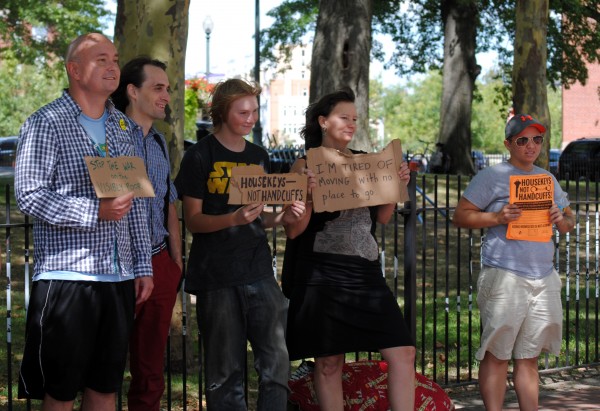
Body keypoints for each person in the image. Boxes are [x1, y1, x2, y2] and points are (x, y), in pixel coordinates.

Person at [15, 33, 154, 410]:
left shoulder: (124, 127)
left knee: (105, 389)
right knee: (59, 393)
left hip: (120, 278)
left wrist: (142, 265)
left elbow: (138, 204)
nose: (112, 67)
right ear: (74, 70)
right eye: (101, 59)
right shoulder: (45, 122)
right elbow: (29, 194)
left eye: (115, 58)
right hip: (67, 278)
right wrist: (94, 211)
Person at [174, 78, 305, 410]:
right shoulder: (199, 156)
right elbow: (193, 220)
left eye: (255, 111)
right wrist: (232, 219)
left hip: (259, 273)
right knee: (225, 373)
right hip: (216, 278)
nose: (251, 118)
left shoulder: (259, 156)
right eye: (243, 111)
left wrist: (285, 217)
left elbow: (259, 217)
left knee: (277, 363)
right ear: (222, 112)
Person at [284, 87, 416, 411]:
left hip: (366, 275)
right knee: (329, 363)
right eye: (344, 117)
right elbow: (292, 229)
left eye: (355, 119)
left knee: (403, 352)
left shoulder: (366, 163)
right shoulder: (304, 165)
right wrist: (310, 197)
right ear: (323, 121)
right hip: (322, 275)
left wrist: (398, 185)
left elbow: (383, 217)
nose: (351, 124)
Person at [452, 113, 575, 411]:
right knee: (497, 355)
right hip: (504, 276)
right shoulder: (491, 177)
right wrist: (497, 217)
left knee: (529, 357)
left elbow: (569, 220)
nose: (531, 145)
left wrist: (562, 219)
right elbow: (461, 215)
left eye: (537, 139)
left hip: (543, 276)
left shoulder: (547, 179)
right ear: (508, 144)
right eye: (523, 140)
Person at [111, 56, 183, 411]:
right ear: (132, 91)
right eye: (158, 87)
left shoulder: (158, 143)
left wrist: (175, 262)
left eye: (167, 88)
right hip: (115, 267)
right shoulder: (108, 136)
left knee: (150, 371)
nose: (166, 95)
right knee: (103, 365)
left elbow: (169, 203)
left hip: (159, 263)